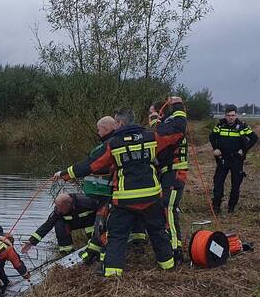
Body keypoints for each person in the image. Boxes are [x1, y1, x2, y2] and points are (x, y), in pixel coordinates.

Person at [58, 107, 185, 277]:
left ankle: (112, 273)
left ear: (120, 123)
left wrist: (64, 174)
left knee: (117, 235)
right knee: (157, 232)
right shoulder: (151, 136)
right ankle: (167, 266)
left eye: (116, 122)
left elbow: (91, 164)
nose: (115, 126)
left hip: (125, 200)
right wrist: (177, 107)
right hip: (151, 196)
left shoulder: (114, 143)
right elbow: (177, 130)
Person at [149, 97, 189, 264]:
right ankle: (170, 244)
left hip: (175, 174)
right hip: (166, 174)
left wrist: (177, 105)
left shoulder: (171, 126)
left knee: (169, 208)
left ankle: (175, 250)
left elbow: (177, 126)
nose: (150, 116)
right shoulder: (163, 127)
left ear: (161, 112)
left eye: (152, 113)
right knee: (165, 208)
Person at [75, 116, 117, 264]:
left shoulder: (108, 145)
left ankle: (105, 260)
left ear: (105, 129)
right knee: (100, 224)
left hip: (110, 193)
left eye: (99, 129)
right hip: (106, 194)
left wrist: (66, 174)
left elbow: (93, 164)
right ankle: (92, 253)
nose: (97, 132)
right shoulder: (113, 143)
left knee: (105, 226)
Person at [209, 104, 258, 214]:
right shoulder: (220, 125)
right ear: (225, 116)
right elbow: (212, 137)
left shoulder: (242, 126)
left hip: (236, 159)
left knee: (236, 184)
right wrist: (215, 148)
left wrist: (244, 150)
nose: (230, 117)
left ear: (236, 115)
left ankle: (231, 207)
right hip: (223, 158)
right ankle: (216, 206)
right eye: (228, 115)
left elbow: (254, 138)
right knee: (218, 182)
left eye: (233, 115)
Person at [20, 192, 98, 258]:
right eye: (57, 207)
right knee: (59, 223)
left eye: (60, 207)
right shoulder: (58, 210)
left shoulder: (86, 202)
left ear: (68, 204)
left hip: (90, 222)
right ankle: (66, 252)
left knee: (94, 227)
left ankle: (94, 246)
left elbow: (103, 209)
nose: (58, 210)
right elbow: (47, 225)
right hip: (72, 224)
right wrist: (31, 241)